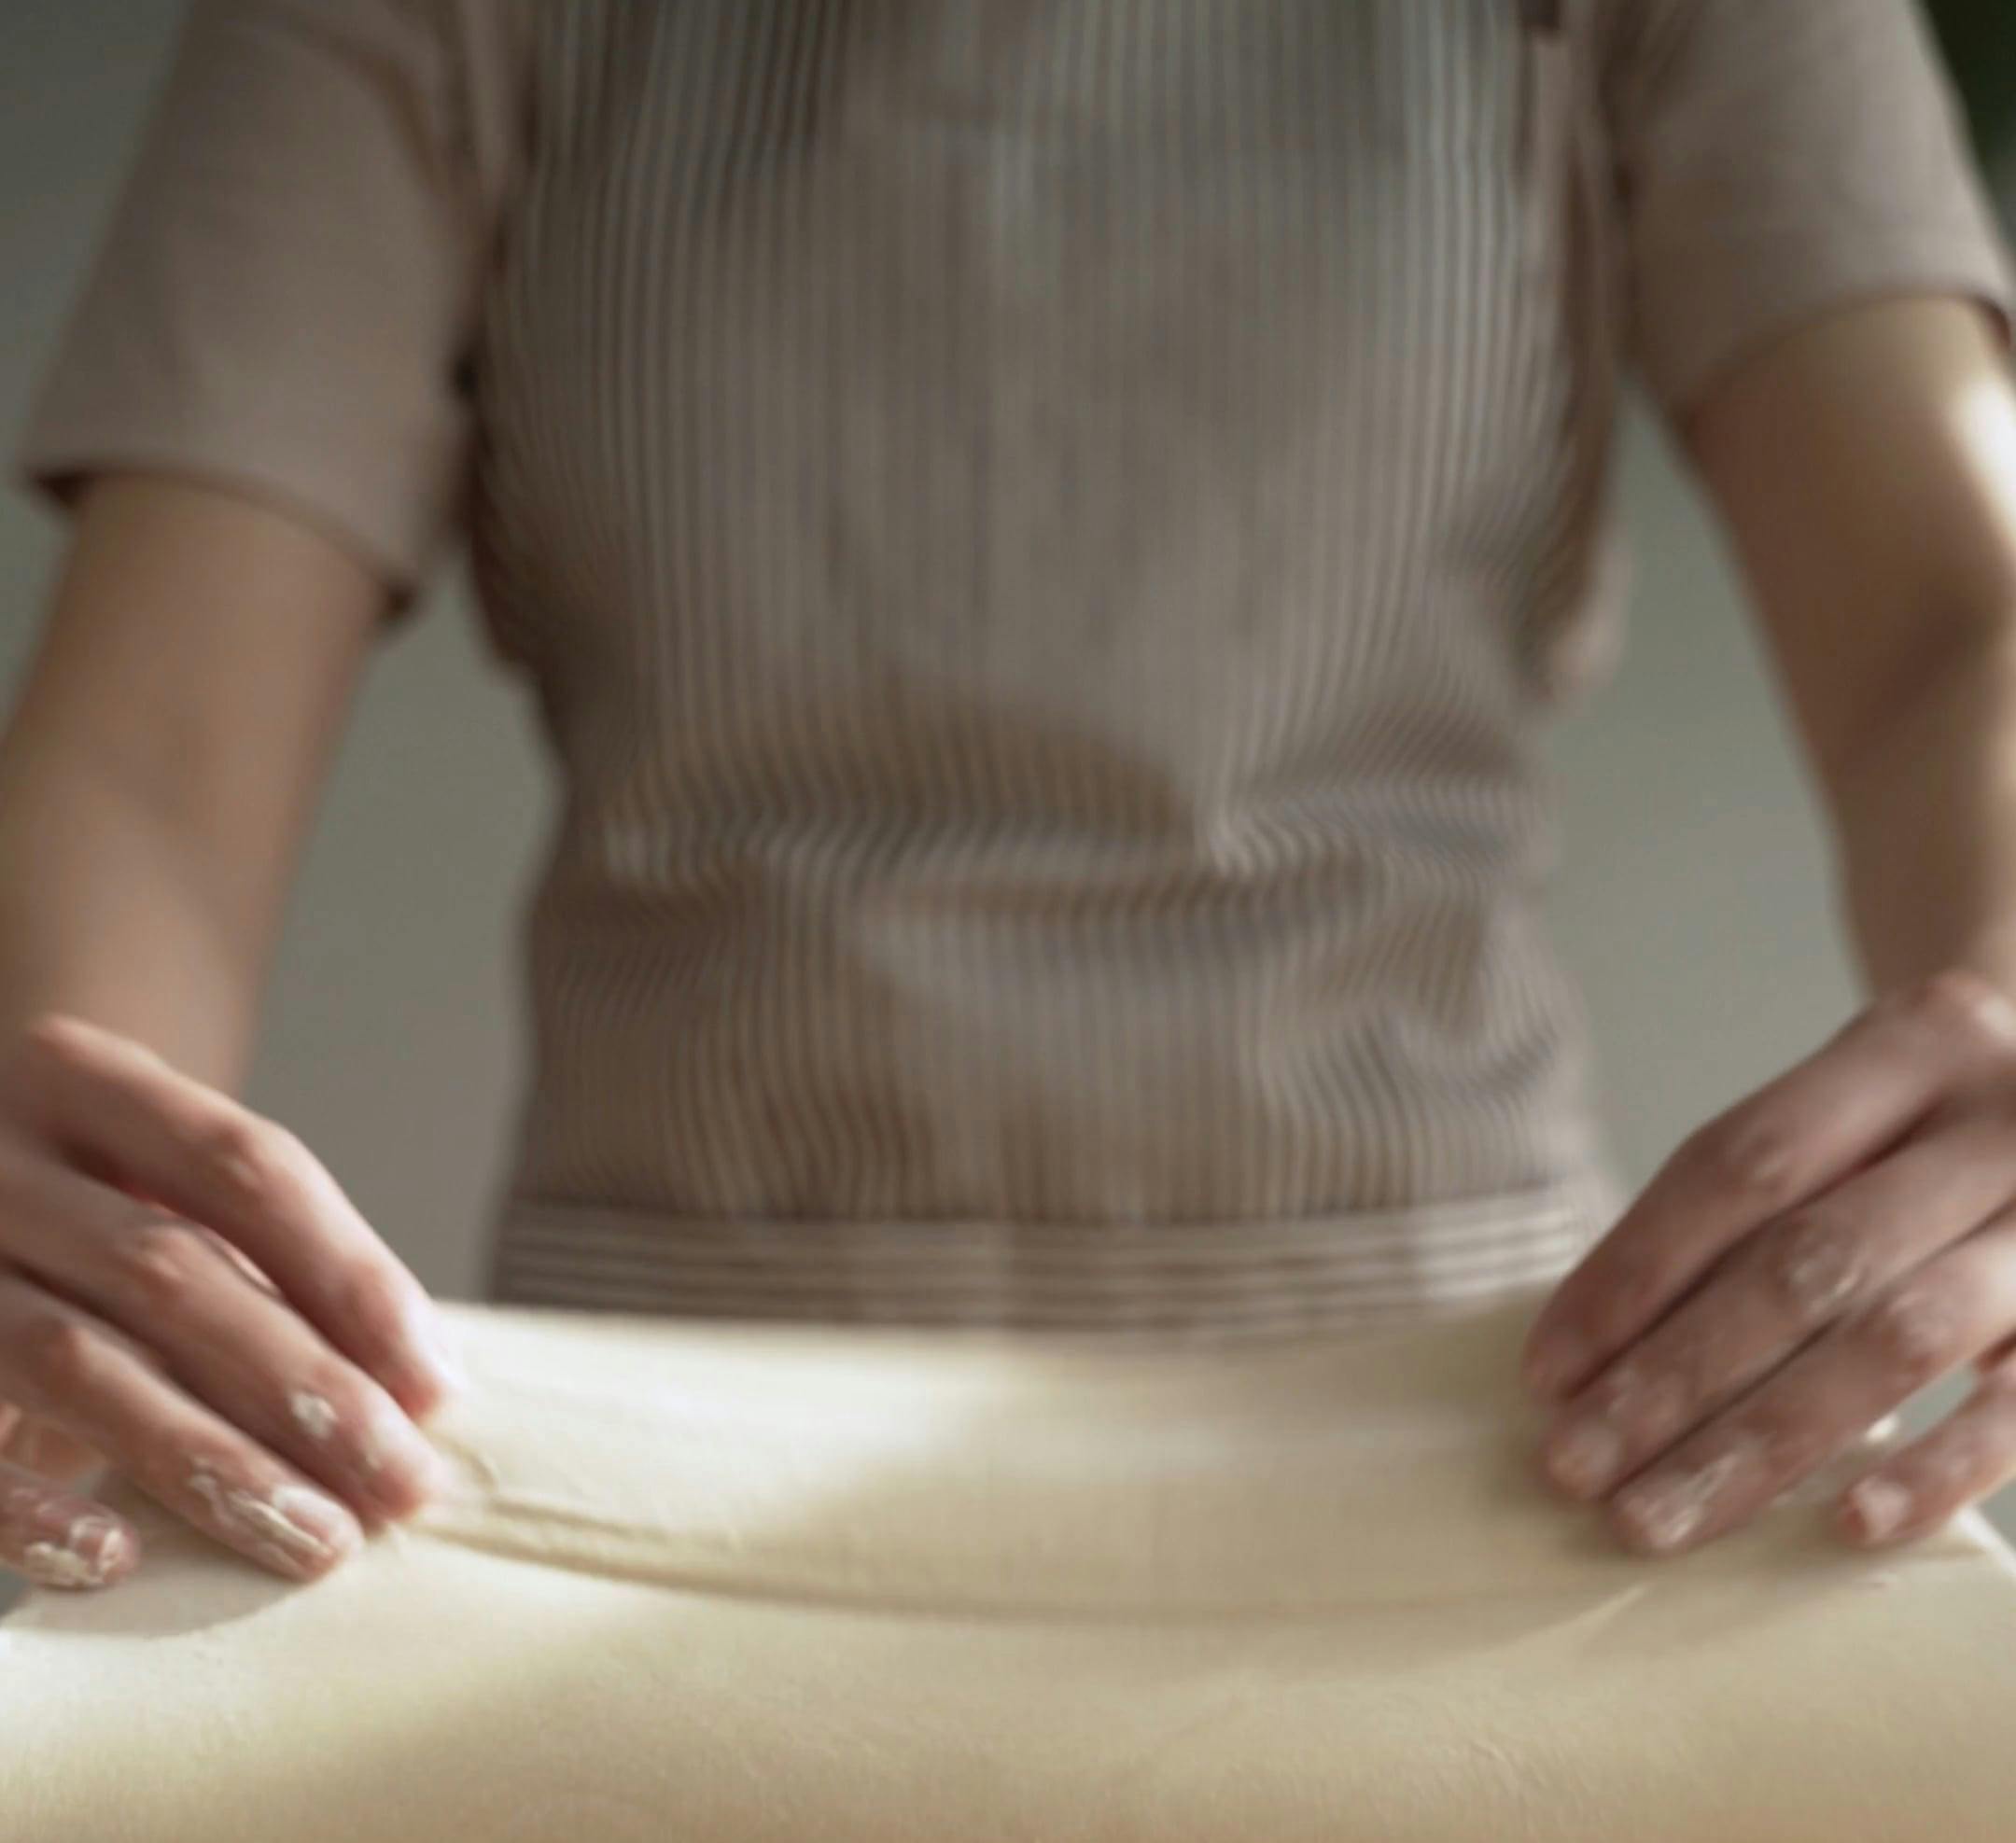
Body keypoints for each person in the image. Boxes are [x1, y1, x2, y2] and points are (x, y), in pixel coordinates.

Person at [1, 0, 2014, 1597]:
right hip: (631, 1484)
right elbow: (156, 771)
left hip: (1484, 1456)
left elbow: (1948, 628)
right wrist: (82, 1230)